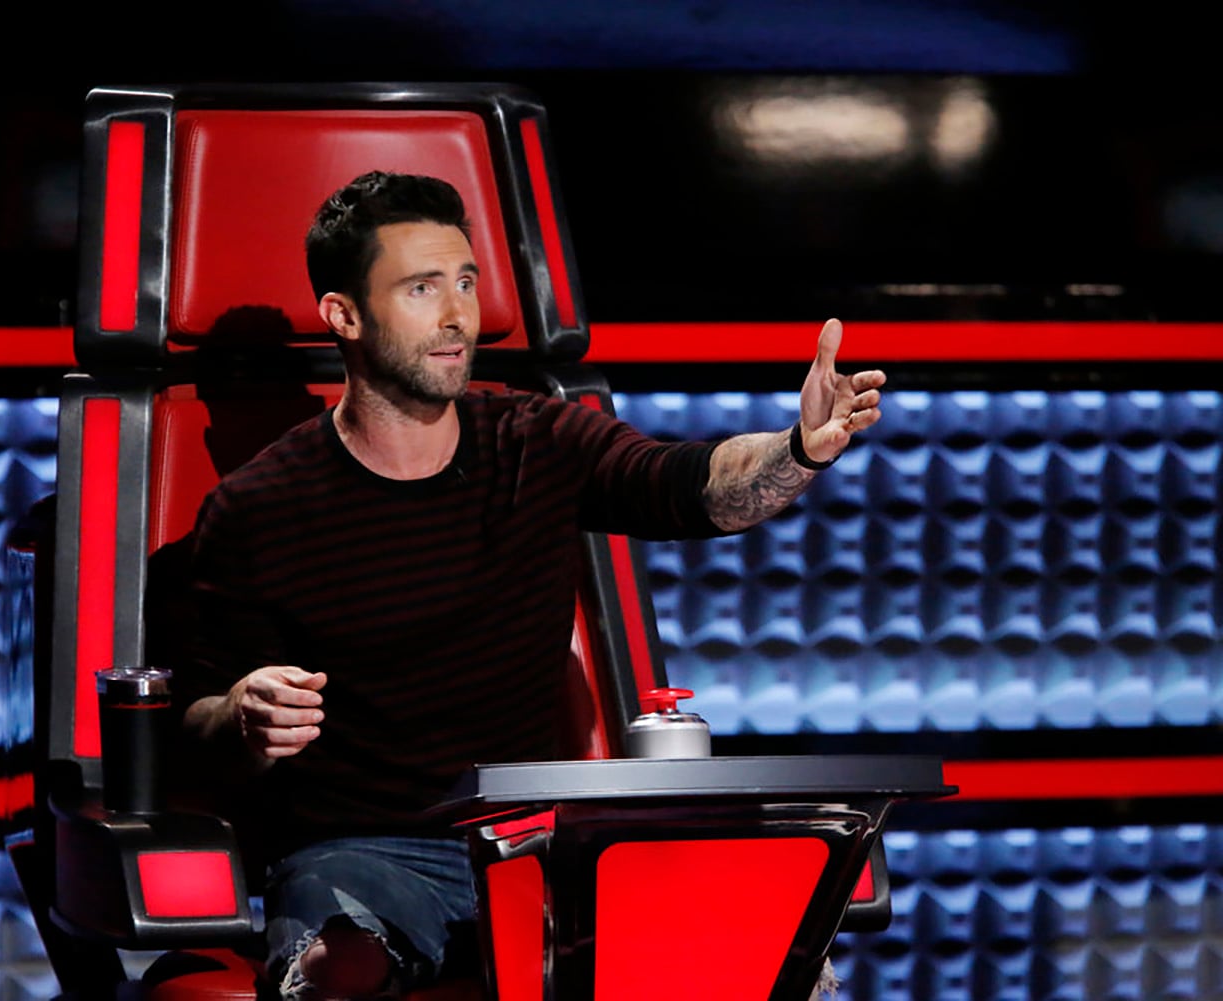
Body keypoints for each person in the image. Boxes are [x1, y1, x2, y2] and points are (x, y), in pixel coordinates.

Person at [179, 170, 884, 1000]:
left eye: (466, 281)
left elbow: (693, 484)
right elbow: (194, 730)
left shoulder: (538, 440)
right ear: (344, 315)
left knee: (771, 954)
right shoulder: (259, 506)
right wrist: (244, 713)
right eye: (422, 288)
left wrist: (795, 449)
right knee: (340, 969)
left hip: (535, 838)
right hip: (366, 851)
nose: (458, 314)